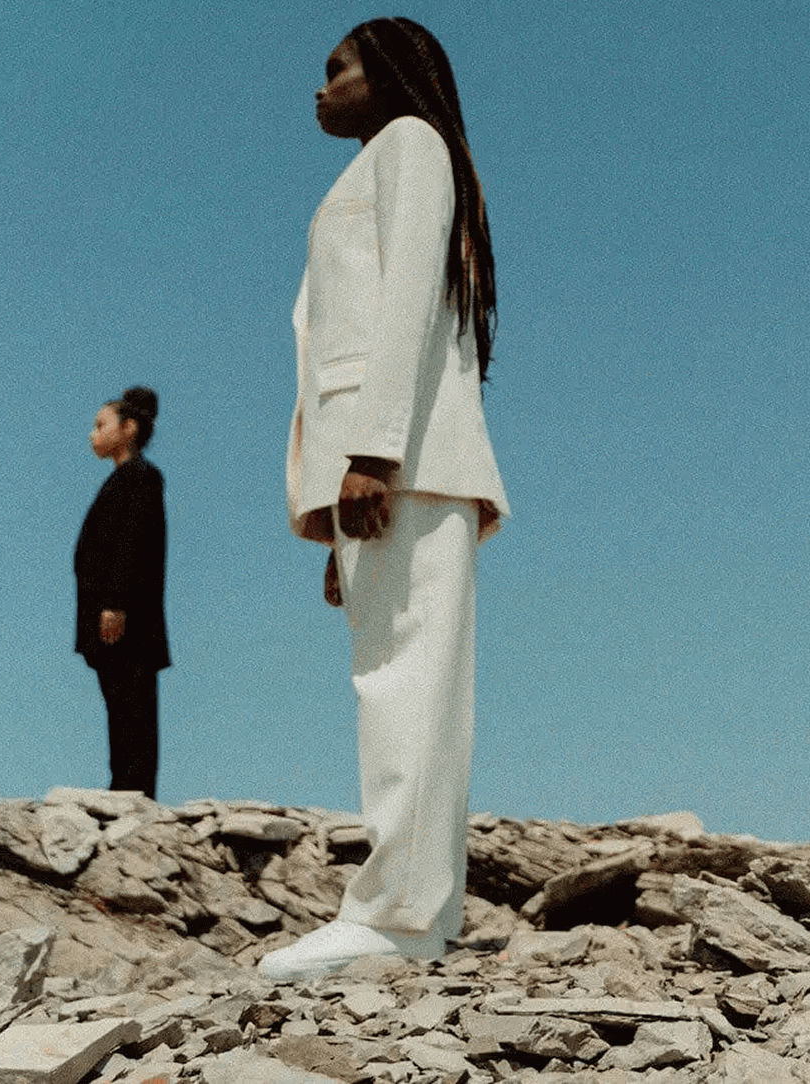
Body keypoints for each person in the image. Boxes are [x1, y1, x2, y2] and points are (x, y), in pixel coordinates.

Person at [260, 17, 511, 982]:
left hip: (400, 461)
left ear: (391, 73)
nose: (318, 88)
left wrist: (372, 455)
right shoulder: (376, 163)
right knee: (396, 682)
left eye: (338, 68)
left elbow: (407, 300)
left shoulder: (411, 143)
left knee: (408, 684)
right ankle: (409, 911)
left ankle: (398, 916)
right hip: (380, 471)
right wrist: (336, 508)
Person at [74, 386, 170, 799]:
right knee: (119, 703)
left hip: (127, 619)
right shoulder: (121, 480)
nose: (92, 434)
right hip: (110, 617)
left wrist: (116, 603)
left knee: (134, 704)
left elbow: (134, 543)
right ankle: (123, 786)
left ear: (128, 429)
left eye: (101, 425)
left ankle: (135, 789)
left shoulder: (141, 477)